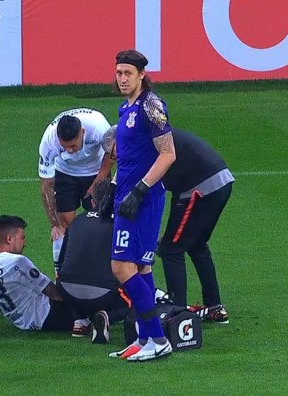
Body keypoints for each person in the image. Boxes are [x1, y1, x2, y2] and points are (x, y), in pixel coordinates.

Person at [102, 126, 234, 323]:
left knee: (171, 249)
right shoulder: (143, 137)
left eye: (113, 152)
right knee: (196, 245)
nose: (116, 158)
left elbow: (143, 174)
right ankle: (214, 306)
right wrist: (112, 188)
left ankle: (178, 314)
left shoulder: (141, 142)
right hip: (219, 182)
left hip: (198, 188)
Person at [101, 49, 176, 362]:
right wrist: (113, 188)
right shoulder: (124, 108)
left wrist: (140, 190)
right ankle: (145, 339)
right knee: (141, 267)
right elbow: (130, 157)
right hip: (127, 197)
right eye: (119, 73)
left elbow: (168, 154)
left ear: (141, 75)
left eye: (127, 74)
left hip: (143, 200)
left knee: (120, 266)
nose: (122, 79)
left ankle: (158, 339)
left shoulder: (152, 106)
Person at [0, 215, 75, 333]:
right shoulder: (17, 262)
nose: (25, 243)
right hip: (50, 317)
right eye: (22, 238)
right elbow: (54, 294)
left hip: (23, 323)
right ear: (9, 239)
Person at [56, 178, 130, 344]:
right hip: (101, 294)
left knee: (73, 272)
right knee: (139, 296)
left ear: (93, 201)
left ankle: (80, 321)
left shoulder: (77, 220)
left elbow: (61, 262)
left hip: (67, 291)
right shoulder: (120, 223)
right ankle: (105, 318)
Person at [38, 108, 113, 273]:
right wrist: (54, 223)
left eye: (73, 145)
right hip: (66, 173)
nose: (69, 150)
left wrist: (98, 182)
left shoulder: (98, 126)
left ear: (83, 133)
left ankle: (104, 270)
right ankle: (62, 274)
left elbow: (112, 152)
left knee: (103, 221)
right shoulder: (49, 141)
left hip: (96, 170)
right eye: (65, 147)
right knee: (64, 225)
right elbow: (46, 184)